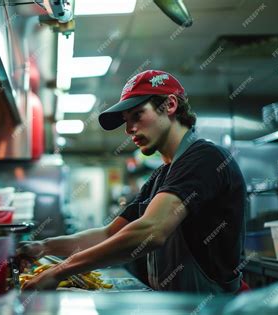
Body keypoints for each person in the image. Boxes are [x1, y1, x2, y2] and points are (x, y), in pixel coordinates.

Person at [18, 70, 247, 294]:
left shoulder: (204, 158)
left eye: (137, 115)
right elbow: (109, 234)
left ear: (170, 105)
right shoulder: (161, 176)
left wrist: (61, 271)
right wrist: (44, 247)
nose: (129, 129)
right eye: (126, 121)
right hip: (177, 307)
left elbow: (151, 230)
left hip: (214, 306)